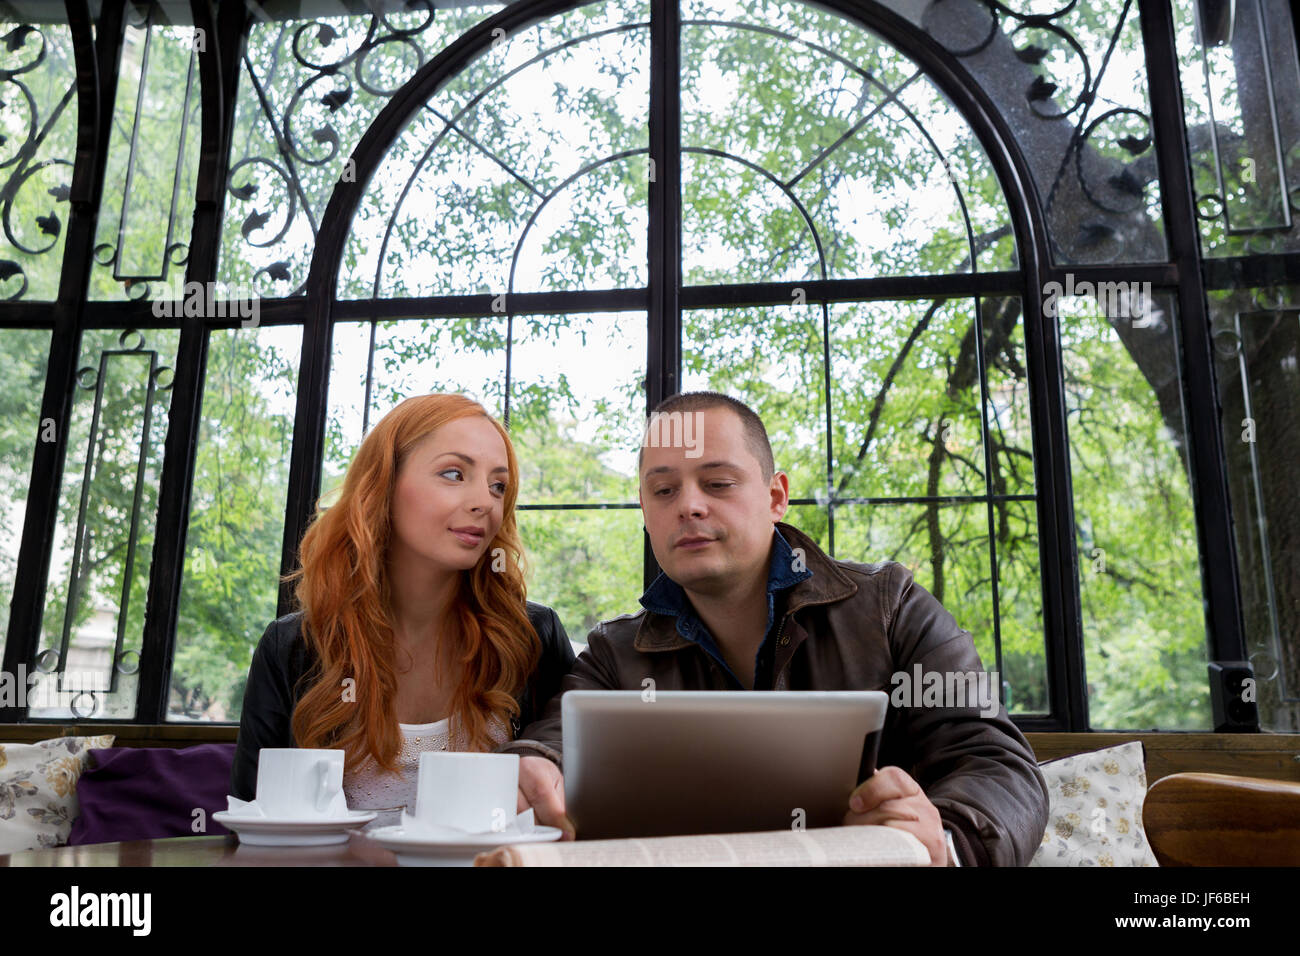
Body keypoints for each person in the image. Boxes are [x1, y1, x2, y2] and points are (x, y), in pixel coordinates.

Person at [503, 391, 1049, 865]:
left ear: (775, 497)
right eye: (663, 491)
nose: (689, 506)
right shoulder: (613, 653)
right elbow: (554, 744)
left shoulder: (892, 606)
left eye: (717, 483)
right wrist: (534, 767)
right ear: (645, 511)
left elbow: (994, 761)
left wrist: (941, 845)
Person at [231, 393, 576, 837]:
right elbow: (246, 824)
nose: (485, 503)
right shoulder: (292, 647)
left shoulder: (532, 636)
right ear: (384, 485)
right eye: (454, 474)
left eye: (498, 486)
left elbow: (577, 790)